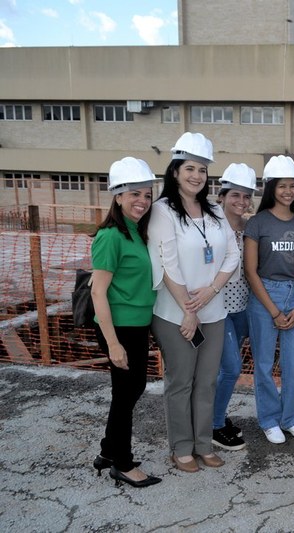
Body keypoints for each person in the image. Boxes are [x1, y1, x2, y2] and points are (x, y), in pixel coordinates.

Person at [148, 132, 240, 473]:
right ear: (175, 171)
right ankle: (181, 447)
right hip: (175, 315)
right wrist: (189, 311)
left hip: (213, 312)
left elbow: (232, 254)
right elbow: (168, 263)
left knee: (207, 381)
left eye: (202, 170)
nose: (196, 176)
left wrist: (212, 291)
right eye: (189, 168)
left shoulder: (215, 210)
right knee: (181, 381)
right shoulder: (162, 211)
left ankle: (203, 444)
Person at [90, 157, 161, 488]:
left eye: (147, 195)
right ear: (117, 196)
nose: (142, 201)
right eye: (134, 194)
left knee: (131, 389)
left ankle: (108, 450)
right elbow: (98, 293)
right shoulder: (110, 236)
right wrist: (113, 343)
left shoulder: (136, 231)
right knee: (126, 393)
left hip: (136, 325)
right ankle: (122, 462)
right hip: (118, 326)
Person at [244, 155, 294, 444]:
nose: (288, 191)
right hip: (265, 296)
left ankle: (289, 418)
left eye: (292, 186)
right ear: (271, 188)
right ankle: (269, 419)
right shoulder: (258, 223)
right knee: (263, 363)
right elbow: (250, 270)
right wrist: (273, 310)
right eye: (282, 186)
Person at [211, 163, 257, 451]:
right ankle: (213, 426)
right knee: (231, 368)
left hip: (242, 308)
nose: (241, 202)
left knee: (223, 370)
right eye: (235, 196)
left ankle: (215, 416)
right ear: (223, 195)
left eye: (246, 196)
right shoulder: (211, 224)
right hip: (217, 308)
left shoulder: (249, 227)